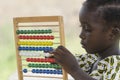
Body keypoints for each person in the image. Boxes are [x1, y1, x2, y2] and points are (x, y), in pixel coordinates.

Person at [49, 0, 120, 80]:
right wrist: (56, 57)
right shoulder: (90, 59)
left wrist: (74, 70)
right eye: (81, 27)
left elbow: (73, 67)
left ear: (112, 34)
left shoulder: (117, 65)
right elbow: (68, 63)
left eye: (87, 29)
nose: (81, 35)